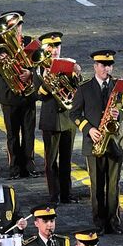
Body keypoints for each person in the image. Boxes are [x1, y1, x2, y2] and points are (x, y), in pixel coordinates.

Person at [72, 49, 123, 234]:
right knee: (97, 185)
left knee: (114, 185)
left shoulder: (119, 86)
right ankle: (99, 222)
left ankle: (114, 221)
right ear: (95, 66)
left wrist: (120, 114)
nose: (107, 68)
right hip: (94, 142)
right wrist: (89, 129)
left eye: (109, 65)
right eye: (103, 65)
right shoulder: (85, 87)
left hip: (114, 142)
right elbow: (74, 113)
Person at [0, 14, 39, 178]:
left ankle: (29, 166)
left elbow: (40, 65)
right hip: (9, 94)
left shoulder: (30, 42)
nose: (16, 30)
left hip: (28, 93)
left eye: (18, 26)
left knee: (29, 132)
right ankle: (15, 168)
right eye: (12, 27)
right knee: (12, 134)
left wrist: (30, 74)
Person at [37, 33, 80, 205]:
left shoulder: (67, 65)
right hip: (51, 120)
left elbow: (77, 90)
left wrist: (77, 74)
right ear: (44, 49)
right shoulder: (39, 68)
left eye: (57, 46)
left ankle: (66, 194)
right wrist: (49, 82)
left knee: (66, 159)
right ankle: (53, 195)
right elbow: (37, 95)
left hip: (68, 119)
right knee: (51, 161)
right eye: (50, 47)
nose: (54, 50)